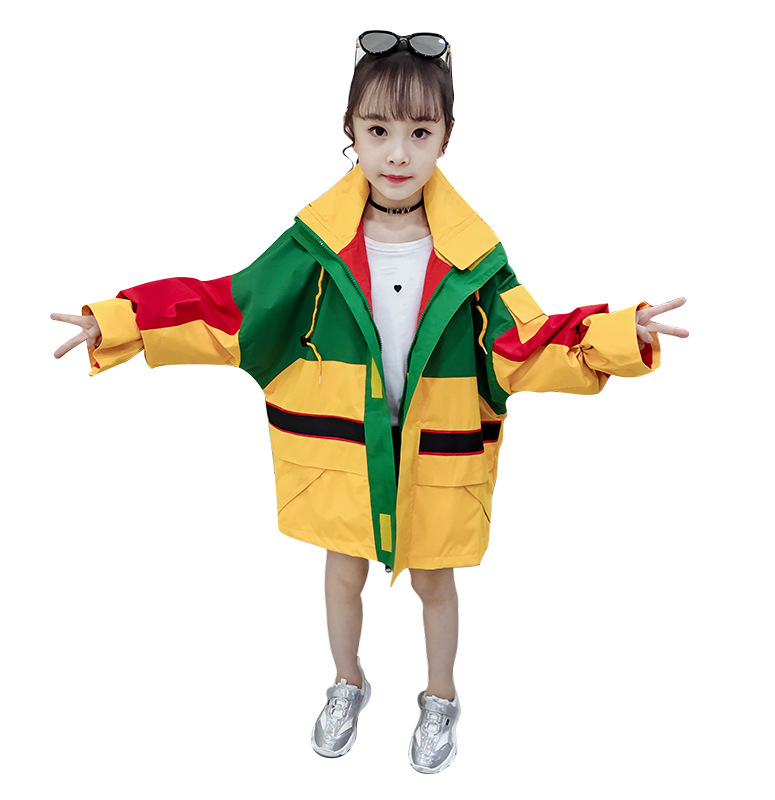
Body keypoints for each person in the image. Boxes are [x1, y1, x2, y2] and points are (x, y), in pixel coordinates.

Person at [51, 30, 689, 774]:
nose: (397, 153)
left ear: (447, 137)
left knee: (435, 579)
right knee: (342, 570)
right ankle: (346, 681)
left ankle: (440, 696)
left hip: (437, 446)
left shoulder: (475, 255)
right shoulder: (314, 246)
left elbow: (525, 341)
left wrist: (613, 335)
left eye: (419, 132)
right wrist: (123, 320)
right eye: (378, 129)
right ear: (349, 131)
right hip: (343, 446)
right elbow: (232, 309)